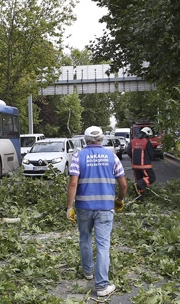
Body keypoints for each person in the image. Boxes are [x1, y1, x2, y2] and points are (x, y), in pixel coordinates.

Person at [66, 126, 127, 297]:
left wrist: (69, 207)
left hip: (84, 208)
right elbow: (123, 184)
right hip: (105, 209)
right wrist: (120, 200)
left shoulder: (78, 156)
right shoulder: (112, 157)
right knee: (103, 244)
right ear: (102, 139)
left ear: (85, 140)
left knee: (84, 238)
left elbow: (73, 183)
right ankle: (101, 286)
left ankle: (88, 272)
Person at [127, 127, 156, 199]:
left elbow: (128, 151)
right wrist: (148, 159)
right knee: (151, 178)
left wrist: (133, 158)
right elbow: (151, 154)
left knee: (139, 180)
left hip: (135, 165)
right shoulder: (146, 141)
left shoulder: (133, 141)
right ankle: (138, 185)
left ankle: (139, 199)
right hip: (145, 166)